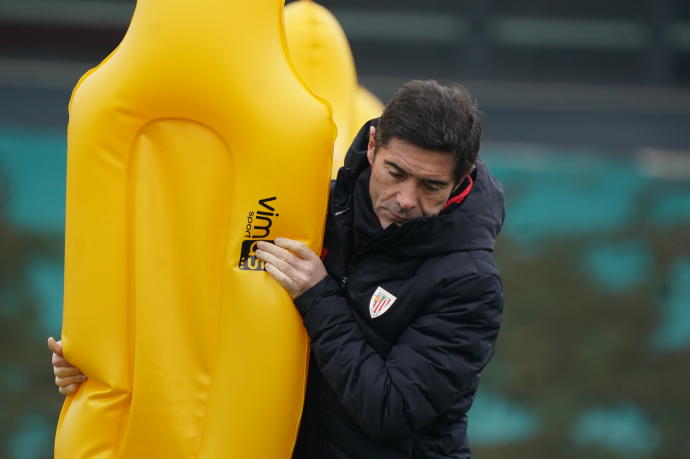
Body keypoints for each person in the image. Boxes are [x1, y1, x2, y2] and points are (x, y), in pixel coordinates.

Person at [50, 79, 505, 458]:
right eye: (395, 173)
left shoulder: (471, 283)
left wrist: (318, 296)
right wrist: (102, 363)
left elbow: (390, 410)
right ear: (372, 146)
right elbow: (197, 307)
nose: (406, 199)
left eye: (431, 186)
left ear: (461, 180)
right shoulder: (314, 207)